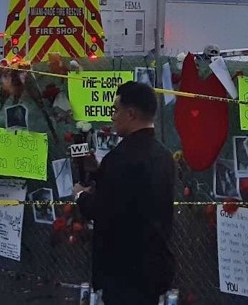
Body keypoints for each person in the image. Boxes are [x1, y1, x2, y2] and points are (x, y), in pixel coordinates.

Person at [74, 81, 175, 305]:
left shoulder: (120, 158)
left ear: (131, 114)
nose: (112, 117)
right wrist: (99, 172)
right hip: (154, 266)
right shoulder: (164, 156)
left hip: (123, 272)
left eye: (115, 110)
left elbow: (103, 210)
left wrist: (80, 195)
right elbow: (134, 194)